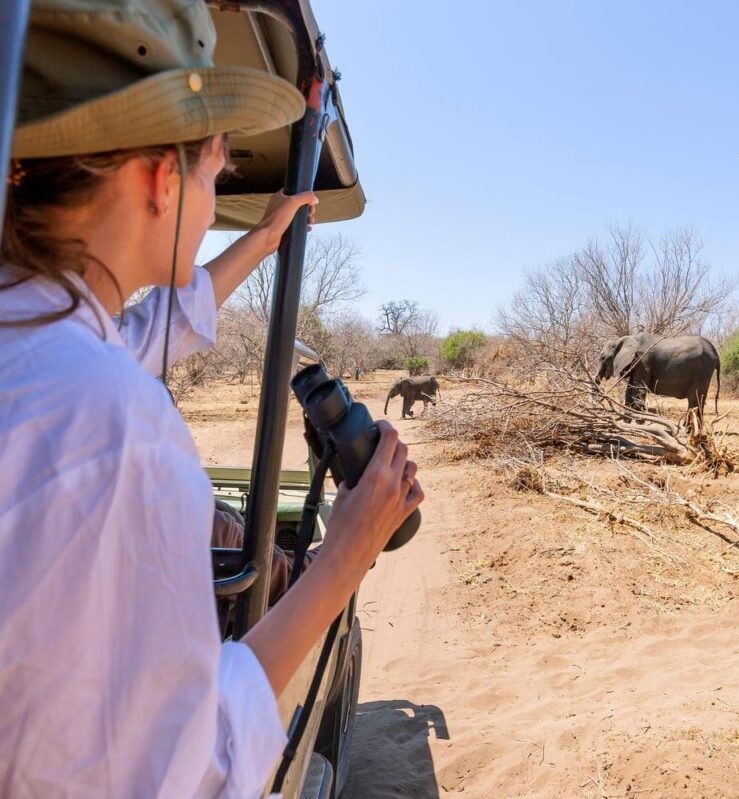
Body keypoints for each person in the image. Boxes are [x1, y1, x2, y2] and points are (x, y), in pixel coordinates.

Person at [0, 3, 424, 799]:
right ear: (163, 179)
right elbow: (198, 765)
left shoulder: (38, 340)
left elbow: (145, 328)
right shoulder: (115, 423)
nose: (219, 177)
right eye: (211, 167)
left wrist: (260, 241)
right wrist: (343, 558)